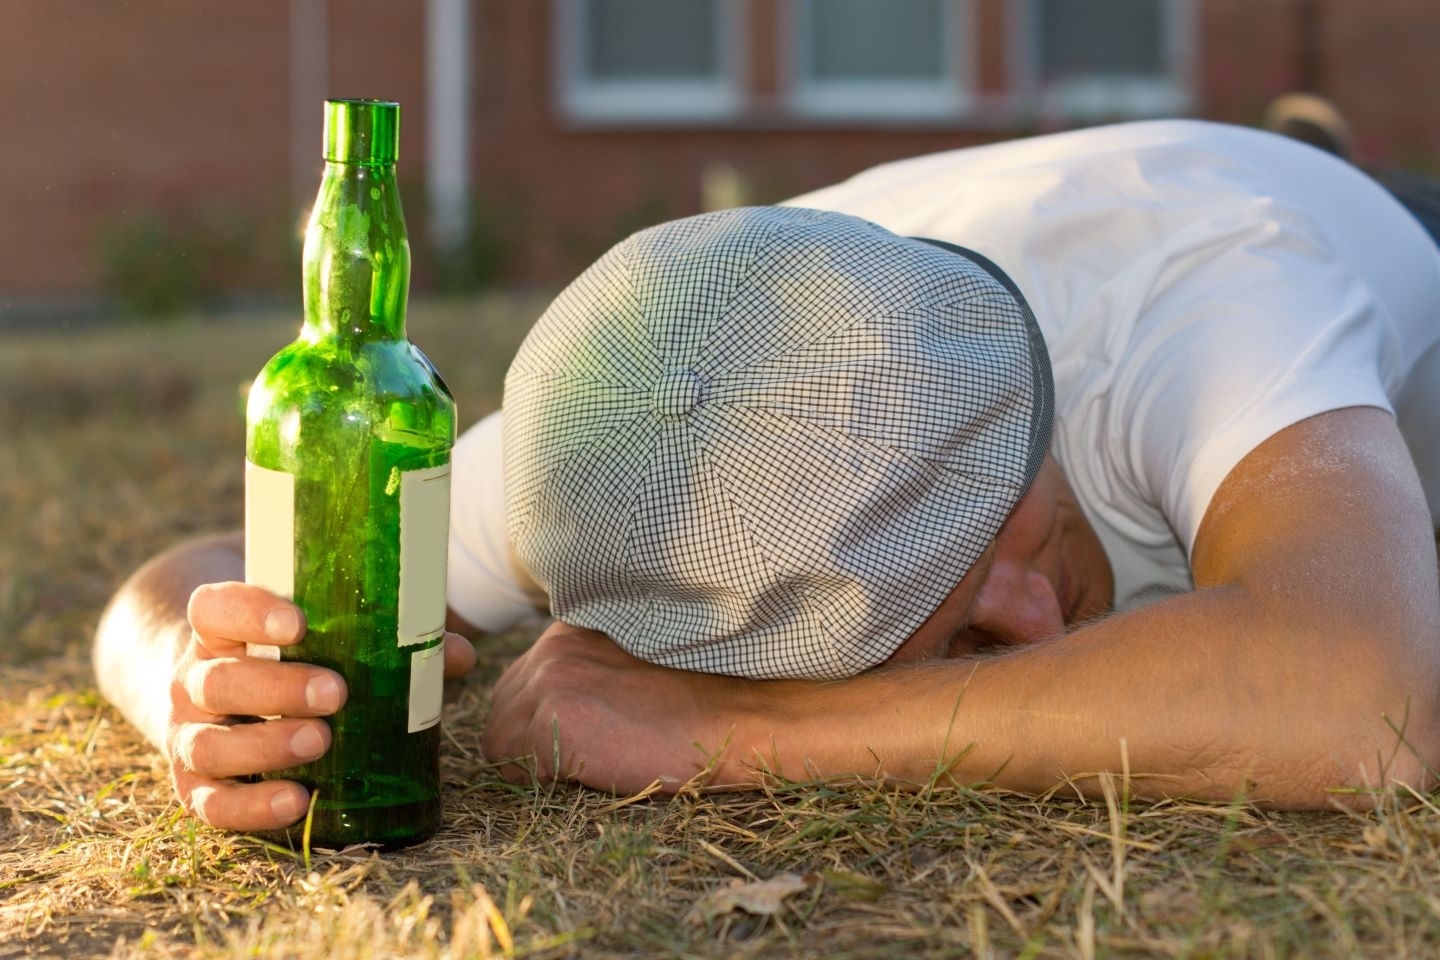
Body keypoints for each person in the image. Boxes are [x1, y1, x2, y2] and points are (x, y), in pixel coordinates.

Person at [93, 118, 1440, 835]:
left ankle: (1319, 140)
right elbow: (197, 576)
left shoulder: (1210, 305)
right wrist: (195, 687)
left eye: (1012, 538)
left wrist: (745, 737)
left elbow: (1364, 696)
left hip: (1280, 208)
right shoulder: (659, 416)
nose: (1034, 622)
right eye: (953, 634)